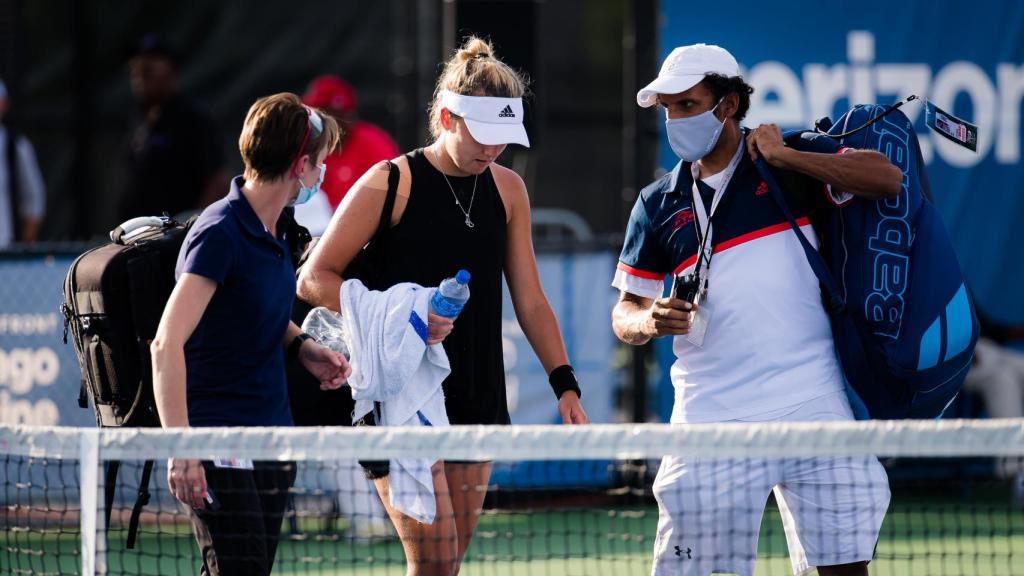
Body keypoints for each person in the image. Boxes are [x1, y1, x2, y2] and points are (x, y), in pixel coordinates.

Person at [297, 36, 588, 575]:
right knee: (431, 565)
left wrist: (564, 383)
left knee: (447, 566)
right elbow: (313, 277)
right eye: (484, 135)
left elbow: (531, 299)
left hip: (477, 391)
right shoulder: (391, 181)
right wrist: (400, 316)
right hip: (399, 392)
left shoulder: (509, 189)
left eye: (505, 138)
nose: (494, 150)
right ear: (447, 117)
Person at [611, 44, 902, 576]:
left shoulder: (789, 158)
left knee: (844, 568)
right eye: (668, 107)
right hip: (709, 418)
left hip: (813, 403)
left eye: (688, 104)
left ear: (728, 105)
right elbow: (625, 311)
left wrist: (787, 158)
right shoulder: (657, 202)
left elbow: (887, 178)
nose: (675, 118)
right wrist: (648, 320)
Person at [151, 92, 351, 575]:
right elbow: (166, 343)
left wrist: (302, 346)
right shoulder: (218, 232)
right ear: (300, 165)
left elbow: (248, 308)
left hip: (273, 438)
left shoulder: (281, 226)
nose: (321, 173)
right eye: (319, 163)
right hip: (218, 439)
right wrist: (183, 449)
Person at [117, 35, 228, 224]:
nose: (139, 75)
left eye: (149, 69)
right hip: (138, 236)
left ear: (172, 71)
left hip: (174, 241)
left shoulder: (192, 118)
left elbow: (218, 181)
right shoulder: (138, 119)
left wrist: (191, 227)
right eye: (135, 70)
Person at [0, 77, 45, 247]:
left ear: (4, 104)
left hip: (6, 251)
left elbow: (35, 199)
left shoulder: (17, 146)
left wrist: (24, 249)